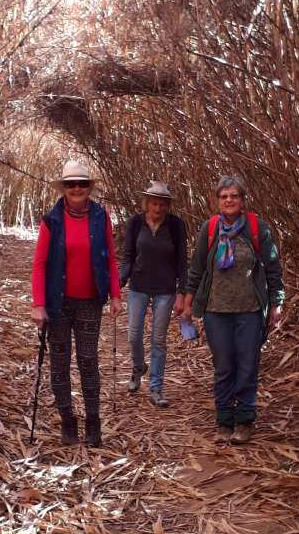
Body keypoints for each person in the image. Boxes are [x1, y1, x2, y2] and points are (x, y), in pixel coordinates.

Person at [181, 175, 284, 444]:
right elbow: (198, 267)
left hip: (249, 310)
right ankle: (224, 421)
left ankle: (245, 421)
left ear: (242, 200)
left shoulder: (256, 228)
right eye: (224, 196)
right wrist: (189, 302)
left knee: (248, 365)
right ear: (218, 200)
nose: (229, 200)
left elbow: (273, 267)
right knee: (224, 366)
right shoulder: (210, 228)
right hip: (216, 310)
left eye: (234, 196)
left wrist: (277, 302)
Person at [31, 160, 121, 446]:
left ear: (89, 187)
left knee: (88, 360)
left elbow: (110, 257)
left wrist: (116, 295)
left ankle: (93, 423)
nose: (77, 189)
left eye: (82, 184)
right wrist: (38, 303)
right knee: (59, 363)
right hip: (57, 303)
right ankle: (68, 421)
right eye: (71, 184)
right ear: (65, 188)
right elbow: (39, 264)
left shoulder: (100, 216)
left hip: (90, 301)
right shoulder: (52, 220)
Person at [119, 180, 188, 408]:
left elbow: (181, 263)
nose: (157, 209)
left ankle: (156, 388)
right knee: (133, 335)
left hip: (165, 289)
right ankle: (138, 367)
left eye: (161, 204)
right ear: (146, 203)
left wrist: (181, 293)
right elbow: (128, 256)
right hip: (138, 285)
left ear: (167, 206)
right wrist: (117, 284)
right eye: (153, 204)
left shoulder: (176, 225)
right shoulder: (136, 223)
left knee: (158, 340)